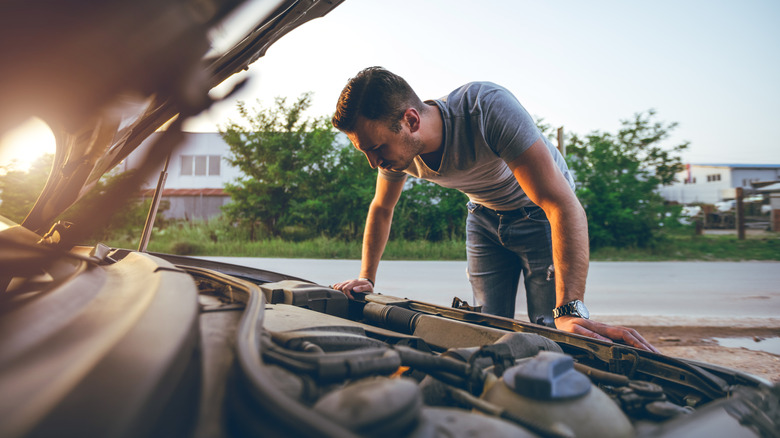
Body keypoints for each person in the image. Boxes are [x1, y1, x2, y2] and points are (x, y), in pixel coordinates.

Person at [331, 67, 657, 353]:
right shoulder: (396, 150)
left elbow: (561, 204)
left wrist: (570, 309)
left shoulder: (486, 108)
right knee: (488, 329)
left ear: (411, 120)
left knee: (553, 328)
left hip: (540, 214)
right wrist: (366, 278)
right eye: (366, 151)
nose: (373, 162)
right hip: (483, 218)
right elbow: (382, 208)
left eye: (376, 149)